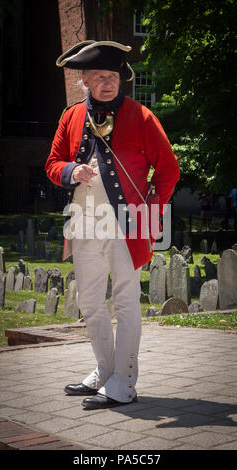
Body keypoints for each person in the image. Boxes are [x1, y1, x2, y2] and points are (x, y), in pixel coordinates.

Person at [45, 40, 180, 410]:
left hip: (127, 224)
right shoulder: (71, 116)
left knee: (125, 301)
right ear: (85, 80)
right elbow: (53, 163)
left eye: (114, 76)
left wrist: (150, 211)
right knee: (89, 300)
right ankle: (105, 370)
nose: (108, 83)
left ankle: (125, 381)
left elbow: (169, 168)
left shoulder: (141, 116)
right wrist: (72, 171)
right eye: (100, 76)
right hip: (84, 223)